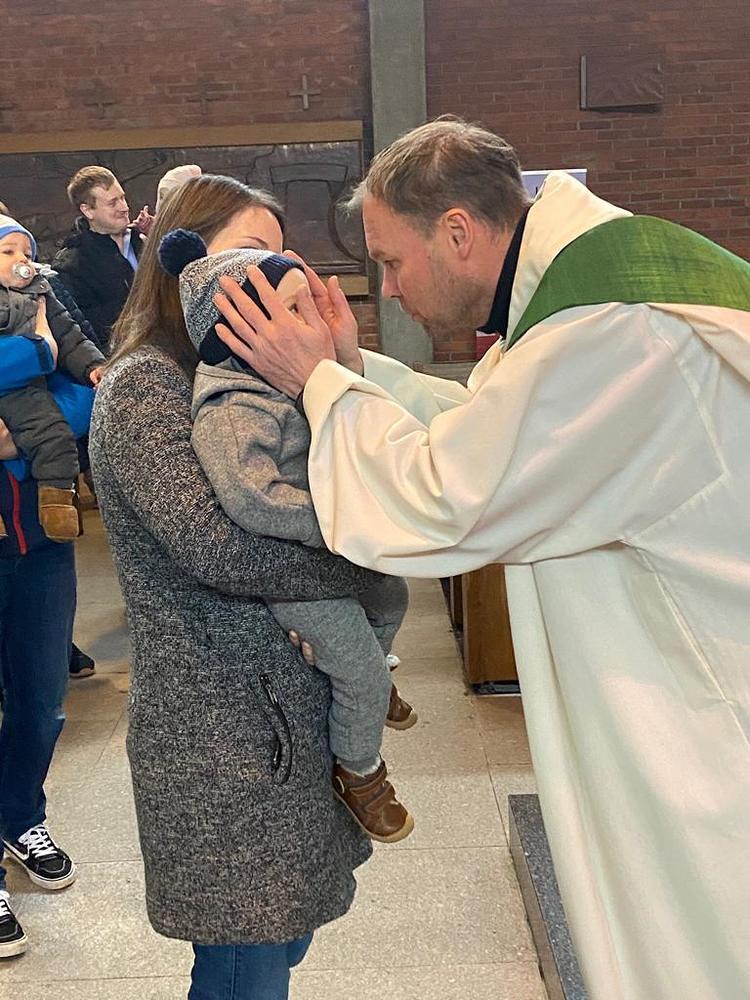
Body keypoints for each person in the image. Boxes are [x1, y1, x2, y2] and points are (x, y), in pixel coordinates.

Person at [212, 118, 750, 1000]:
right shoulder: (578, 287)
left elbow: (448, 497)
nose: (389, 289)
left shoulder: (613, 326)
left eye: (393, 262)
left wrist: (318, 382)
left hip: (708, 697)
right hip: (688, 656)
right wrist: (349, 367)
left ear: (458, 232)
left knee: (708, 933)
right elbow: (486, 429)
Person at [89, 173, 388, 1000]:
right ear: (185, 266)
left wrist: (341, 365)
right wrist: (366, 562)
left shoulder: (246, 381)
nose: (271, 275)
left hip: (283, 712)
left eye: (279, 255)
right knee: (243, 964)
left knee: (282, 938)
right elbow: (219, 549)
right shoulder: (145, 385)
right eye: (250, 252)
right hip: (217, 729)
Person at [159, 231, 415, 842]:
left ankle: (372, 680)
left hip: (331, 544)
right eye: (295, 309)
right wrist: (335, 519)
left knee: (393, 596)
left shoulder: (286, 382)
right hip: (292, 565)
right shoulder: (233, 407)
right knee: (359, 673)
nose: (315, 322)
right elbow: (253, 499)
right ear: (239, 335)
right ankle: (360, 771)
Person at [0, 317, 83, 960]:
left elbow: (86, 394)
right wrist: (35, 354)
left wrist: (21, 439)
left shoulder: (34, 293)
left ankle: (20, 816)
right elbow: (46, 358)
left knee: (42, 703)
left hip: (39, 540)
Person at [0, 214, 104, 541]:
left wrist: (93, 366)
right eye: (8, 252)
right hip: (15, 386)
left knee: (54, 436)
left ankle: (57, 503)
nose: (21, 260)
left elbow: (71, 336)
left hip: (29, 393)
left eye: (27, 254)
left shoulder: (42, 294)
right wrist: (40, 349)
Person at [51, 167, 153, 352]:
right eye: (113, 203)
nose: (124, 207)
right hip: (119, 357)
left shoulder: (145, 241)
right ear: (88, 210)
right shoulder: (72, 265)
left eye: (122, 198)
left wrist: (158, 239)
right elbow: (87, 332)